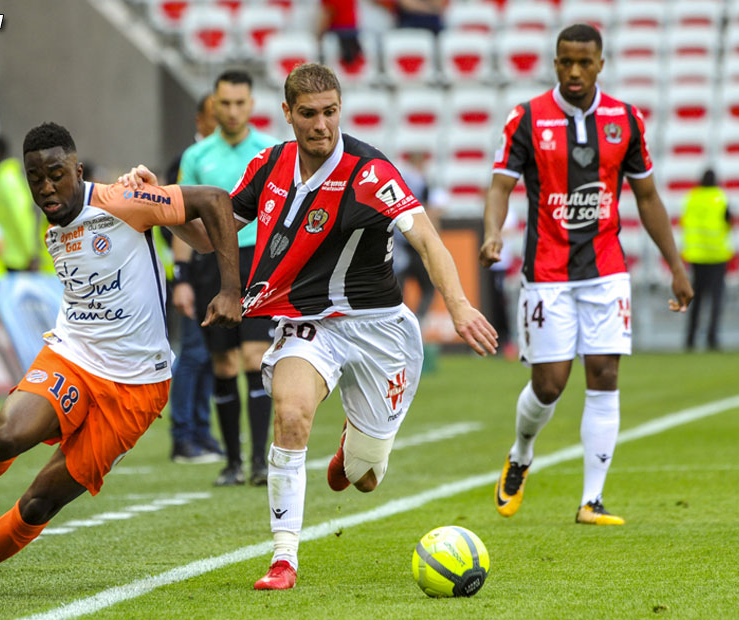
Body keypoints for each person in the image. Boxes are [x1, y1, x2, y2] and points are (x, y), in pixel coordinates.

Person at [123, 63, 497, 590]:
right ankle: (283, 560)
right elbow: (210, 236)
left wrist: (457, 305)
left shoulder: (371, 173)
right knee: (292, 414)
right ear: (287, 114)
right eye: (308, 114)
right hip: (310, 322)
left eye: (330, 112)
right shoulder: (270, 164)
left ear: (340, 110)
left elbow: (429, 241)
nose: (321, 124)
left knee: (365, 478)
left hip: (380, 330)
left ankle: (355, 449)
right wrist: (159, 199)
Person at [0, 121, 242, 599]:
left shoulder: (121, 201)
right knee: (7, 435)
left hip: (136, 386)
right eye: (35, 177)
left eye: (57, 174)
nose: (46, 187)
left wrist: (231, 290)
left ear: (77, 169)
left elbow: (214, 204)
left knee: (39, 502)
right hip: (73, 354)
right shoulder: (55, 224)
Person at [480, 24, 693, 527]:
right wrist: (493, 233)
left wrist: (676, 266)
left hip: (605, 270)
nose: (573, 71)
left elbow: (647, 197)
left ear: (601, 64)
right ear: (555, 63)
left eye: (584, 62)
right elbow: (499, 187)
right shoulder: (527, 118)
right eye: (564, 62)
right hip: (547, 271)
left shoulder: (625, 119)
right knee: (551, 385)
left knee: (606, 376)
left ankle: (591, 501)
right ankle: (521, 453)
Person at [176, 70, 279, 486]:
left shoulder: (269, 152)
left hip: (257, 260)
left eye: (240, 103)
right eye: (225, 103)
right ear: (213, 105)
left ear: (251, 105)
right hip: (210, 264)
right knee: (224, 363)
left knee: (255, 358)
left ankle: (258, 461)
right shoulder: (196, 157)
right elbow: (180, 218)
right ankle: (233, 462)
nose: (233, 111)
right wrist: (181, 277)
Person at [166, 92, 224, 464]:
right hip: (194, 272)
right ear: (200, 121)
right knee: (193, 353)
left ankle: (201, 431)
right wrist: (181, 274)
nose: (224, 121)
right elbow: (172, 221)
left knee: (213, 356)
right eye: (215, 115)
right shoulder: (185, 164)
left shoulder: (230, 158)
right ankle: (182, 435)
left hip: (219, 271)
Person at [681, 168, 732, 351]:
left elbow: (684, 222)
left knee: (695, 299)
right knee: (716, 299)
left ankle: (690, 338)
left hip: (696, 256)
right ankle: (712, 338)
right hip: (717, 255)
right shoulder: (720, 197)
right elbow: (729, 221)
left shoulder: (692, 198)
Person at [0, 136, 40, 272]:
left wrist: (31, 253)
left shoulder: (6, 179)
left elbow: (20, 217)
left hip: (18, 259)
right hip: (9, 257)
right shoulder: (0, 178)